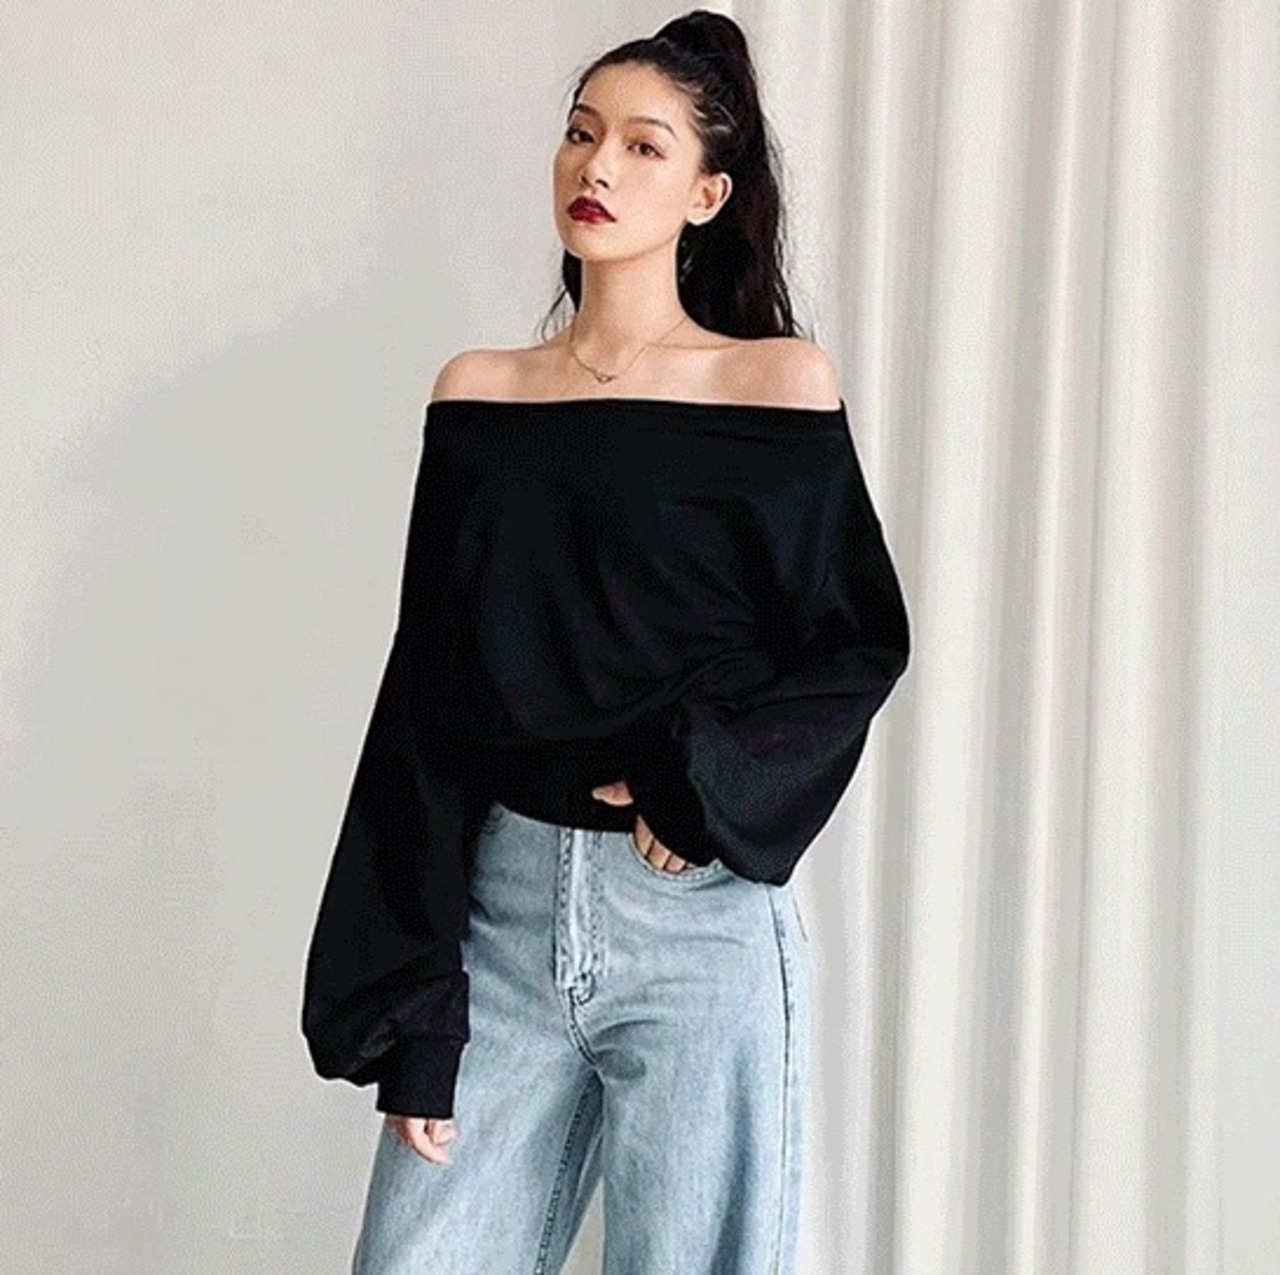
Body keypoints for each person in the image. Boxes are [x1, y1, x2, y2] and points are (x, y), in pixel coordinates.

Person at [300, 10, 910, 1273]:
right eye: (581, 135)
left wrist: (701, 783)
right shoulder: (480, 394)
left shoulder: (773, 385)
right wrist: (417, 1011)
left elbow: (849, 644)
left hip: (694, 928)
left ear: (706, 194)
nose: (597, 168)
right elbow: (428, 700)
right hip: (501, 914)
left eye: (643, 146)